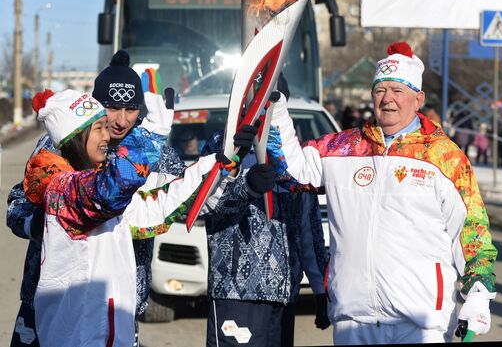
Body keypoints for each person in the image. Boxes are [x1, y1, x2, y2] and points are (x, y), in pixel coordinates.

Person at [267, 41, 498, 344]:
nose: (387, 99)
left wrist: (479, 295)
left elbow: (473, 233)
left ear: (418, 99)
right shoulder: (342, 148)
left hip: (421, 323)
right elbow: (291, 170)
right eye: (380, 90)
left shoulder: (444, 157)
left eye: (397, 90)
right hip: (354, 321)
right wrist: (276, 108)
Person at [7, 51, 184, 347]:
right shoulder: (62, 141)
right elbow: (16, 206)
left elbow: (179, 198)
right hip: (52, 298)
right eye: (113, 108)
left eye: (131, 109)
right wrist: (42, 223)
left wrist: (226, 168)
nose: (121, 120)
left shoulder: (155, 149)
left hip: (118, 301)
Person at [200, 123, 330, 347]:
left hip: (284, 294)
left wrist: (321, 289)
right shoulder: (225, 142)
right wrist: (246, 186)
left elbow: (308, 228)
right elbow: (206, 203)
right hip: (237, 291)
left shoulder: (292, 150)